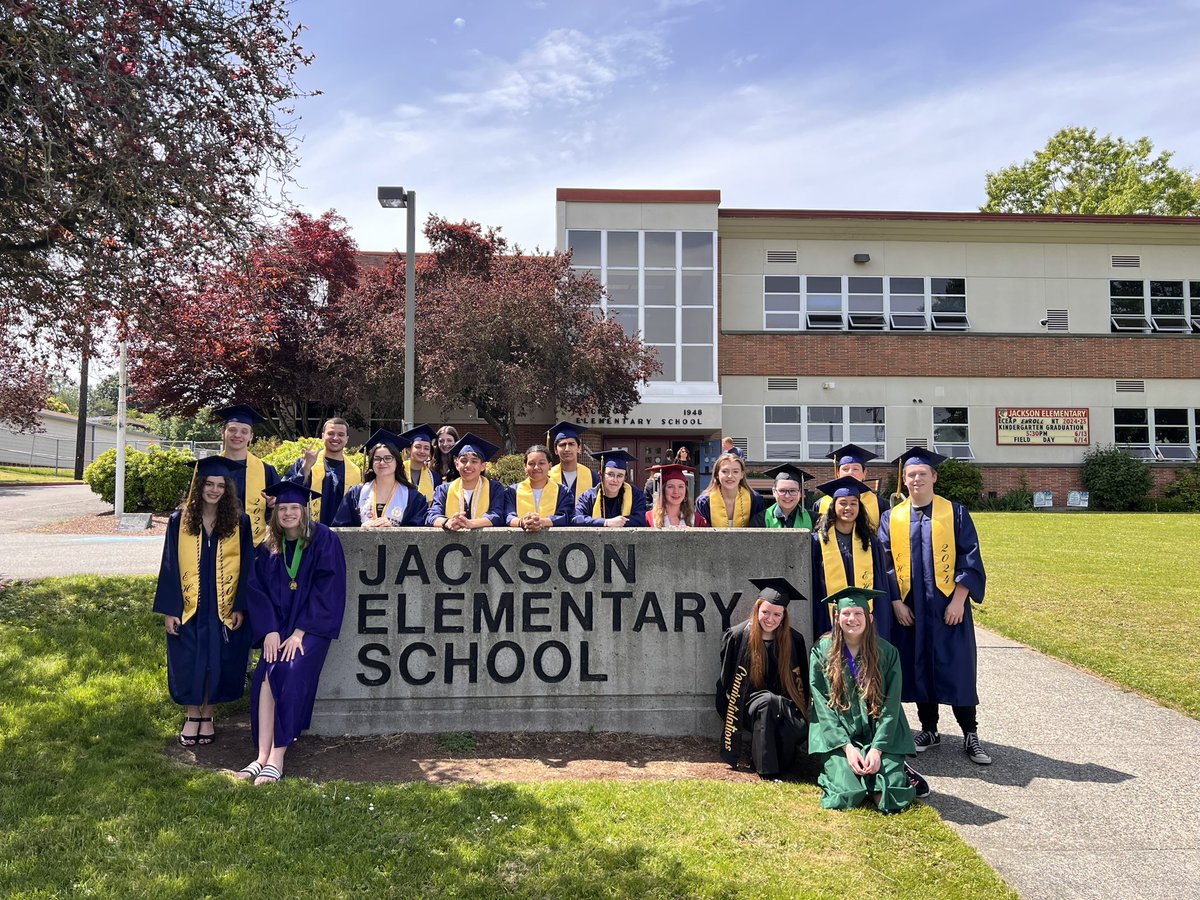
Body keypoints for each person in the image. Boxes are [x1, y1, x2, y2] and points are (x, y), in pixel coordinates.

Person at [877, 448, 990, 765]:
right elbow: (885, 564)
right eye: (910, 475)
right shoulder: (893, 517)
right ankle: (929, 729)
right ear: (904, 479)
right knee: (919, 665)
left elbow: (971, 558)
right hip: (911, 609)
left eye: (922, 474)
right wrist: (896, 602)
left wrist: (958, 600)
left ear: (934, 477)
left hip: (947, 608)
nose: (915, 479)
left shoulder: (955, 513)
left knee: (957, 668)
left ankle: (970, 734)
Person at [236, 481, 347, 785]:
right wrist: (269, 631)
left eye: (294, 508)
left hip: (311, 628)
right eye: (282, 508)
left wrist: (299, 632)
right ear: (275, 512)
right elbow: (256, 591)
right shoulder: (268, 547)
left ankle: (277, 756)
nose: (288, 513)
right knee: (266, 673)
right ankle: (260, 755)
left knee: (291, 670)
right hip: (278, 628)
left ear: (304, 510)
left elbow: (329, 589)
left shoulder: (324, 539)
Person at [153, 457, 254, 747]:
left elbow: (247, 565)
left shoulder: (239, 522)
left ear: (227, 489)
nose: (214, 490)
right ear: (199, 486)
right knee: (191, 659)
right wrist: (170, 610)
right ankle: (191, 714)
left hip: (222, 606)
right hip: (190, 605)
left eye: (221, 485)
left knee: (216, 659)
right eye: (209, 484)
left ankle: (208, 715)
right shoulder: (180, 520)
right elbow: (169, 564)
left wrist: (239, 606)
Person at [808, 587, 920, 814]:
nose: (852, 619)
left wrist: (877, 749)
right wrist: (847, 748)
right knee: (847, 794)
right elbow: (821, 704)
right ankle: (856, 772)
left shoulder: (887, 652)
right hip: (840, 739)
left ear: (869, 618)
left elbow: (891, 706)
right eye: (846, 613)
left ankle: (892, 766)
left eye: (858, 614)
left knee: (887, 797)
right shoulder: (822, 651)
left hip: (880, 735)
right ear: (837, 617)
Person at [716, 577, 809, 778]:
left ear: (784, 616)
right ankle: (766, 770)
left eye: (777, 614)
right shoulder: (738, 636)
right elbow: (726, 682)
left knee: (777, 708)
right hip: (747, 708)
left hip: (783, 706)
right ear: (757, 609)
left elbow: (802, 685)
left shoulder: (794, 640)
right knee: (767, 702)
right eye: (765, 612)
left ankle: (781, 765)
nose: (770, 619)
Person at [811, 475, 897, 642]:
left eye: (853, 503)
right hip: (828, 615)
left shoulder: (871, 541)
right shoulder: (818, 541)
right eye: (842, 503)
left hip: (865, 616)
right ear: (833, 506)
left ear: (859, 507)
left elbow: (880, 582)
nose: (848, 507)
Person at [332, 429, 429, 528]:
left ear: (397, 462)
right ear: (371, 463)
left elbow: (420, 533)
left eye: (388, 458)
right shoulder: (355, 494)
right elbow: (340, 528)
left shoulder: (414, 497)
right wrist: (360, 530)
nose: (382, 463)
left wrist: (395, 528)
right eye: (377, 458)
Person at [214, 404, 280, 545]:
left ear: (251, 436)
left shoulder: (266, 471)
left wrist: (275, 505)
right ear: (223, 432)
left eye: (244, 431)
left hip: (253, 547)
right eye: (232, 430)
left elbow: (275, 515)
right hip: (215, 545)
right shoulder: (208, 468)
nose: (238, 435)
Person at [285, 417, 361, 526]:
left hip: (342, 535)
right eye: (330, 433)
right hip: (307, 532)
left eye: (340, 434)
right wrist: (306, 467)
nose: (335, 438)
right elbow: (288, 491)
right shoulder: (305, 462)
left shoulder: (356, 472)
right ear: (322, 436)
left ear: (347, 439)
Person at [427, 433, 506, 531]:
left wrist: (470, 523)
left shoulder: (494, 488)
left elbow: (498, 515)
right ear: (456, 464)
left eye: (474, 461)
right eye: (463, 461)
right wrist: (447, 522)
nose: (468, 465)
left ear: (483, 466)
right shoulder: (443, 489)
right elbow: (432, 516)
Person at [814, 444, 887, 531]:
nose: (850, 473)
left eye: (855, 469)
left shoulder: (880, 504)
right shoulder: (821, 503)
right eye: (845, 469)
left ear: (864, 473)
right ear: (837, 473)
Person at [505, 444, 573, 531]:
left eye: (541, 463)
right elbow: (508, 516)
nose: (536, 467)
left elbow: (565, 517)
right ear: (525, 467)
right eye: (531, 463)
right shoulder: (512, 491)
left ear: (550, 465)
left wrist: (541, 522)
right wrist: (523, 522)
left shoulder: (563, 491)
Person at [572, 449, 648, 527]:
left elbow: (641, 519)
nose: (615, 480)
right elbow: (577, 519)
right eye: (610, 474)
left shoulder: (636, 495)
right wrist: (605, 522)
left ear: (625, 478)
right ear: (601, 474)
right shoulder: (588, 497)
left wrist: (620, 522)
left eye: (620, 476)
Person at [695, 452, 765, 529]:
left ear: (742, 474)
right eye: (724, 471)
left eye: (735, 471)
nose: (730, 476)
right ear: (717, 474)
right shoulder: (704, 502)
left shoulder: (755, 500)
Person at [749, 463, 815, 529]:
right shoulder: (760, 520)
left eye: (792, 491)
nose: (787, 496)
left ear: (801, 493)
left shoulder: (814, 520)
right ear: (774, 492)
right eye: (782, 491)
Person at [546, 420, 595, 507]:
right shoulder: (547, 476)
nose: (567, 449)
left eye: (571, 444)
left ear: (579, 448)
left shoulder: (592, 476)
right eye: (562, 445)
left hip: (583, 520)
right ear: (555, 450)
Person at [645, 464, 708, 528]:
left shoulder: (698, 520)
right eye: (670, 487)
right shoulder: (648, 519)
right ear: (663, 491)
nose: (676, 491)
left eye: (680, 486)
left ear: (686, 492)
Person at [399, 423, 441, 504]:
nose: (422, 451)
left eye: (426, 448)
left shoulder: (435, 478)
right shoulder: (398, 472)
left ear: (429, 453)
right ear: (408, 450)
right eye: (418, 447)